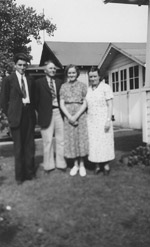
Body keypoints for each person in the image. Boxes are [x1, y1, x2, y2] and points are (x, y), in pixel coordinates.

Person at [0, 53, 36, 184]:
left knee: (29, 146)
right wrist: (9, 115)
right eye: (20, 65)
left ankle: (30, 173)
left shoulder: (30, 79)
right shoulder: (8, 80)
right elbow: (3, 101)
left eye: (24, 65)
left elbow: (34, 98)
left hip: (29, 115)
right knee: (19, 147)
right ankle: (20, 177)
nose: (22, 67)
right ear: (15, 65)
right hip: (16, 116)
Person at [35, 60, 66, 173]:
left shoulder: (59, 82)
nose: (53, 70)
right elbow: (36, 101)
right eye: (50, 68)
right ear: (45, 70)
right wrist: (42, 111)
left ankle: (61, 164)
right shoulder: (38, 83)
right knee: (47, 141)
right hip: (46, 114)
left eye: (54, 68)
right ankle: (48, 165)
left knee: (61, 140)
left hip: (59, 113)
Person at [60, 64, 88, 177]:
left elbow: (86, 102)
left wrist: (76, 116)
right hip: (68, 116)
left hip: (80, 114)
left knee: (80, 139)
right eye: (69, 73)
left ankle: (82, 165)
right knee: (71, 140)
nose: (71, 74)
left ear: (77, 74)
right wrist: (69, 116)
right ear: (67, 74)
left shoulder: (83, 85)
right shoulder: (63, 86)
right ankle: (75, 164)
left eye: (73, 72)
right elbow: (62, 103)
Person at [86, 66, 115, 175]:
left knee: (105, 142)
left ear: (99, 76)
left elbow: (110, 104)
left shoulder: (106, 87)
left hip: (103, 119)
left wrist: (108, 119)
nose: (92, 78)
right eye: (91, 77)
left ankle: (106, 165)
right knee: (94, 143)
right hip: (91, 120)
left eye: (94, 76)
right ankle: (97, 165)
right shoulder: (88, 90)